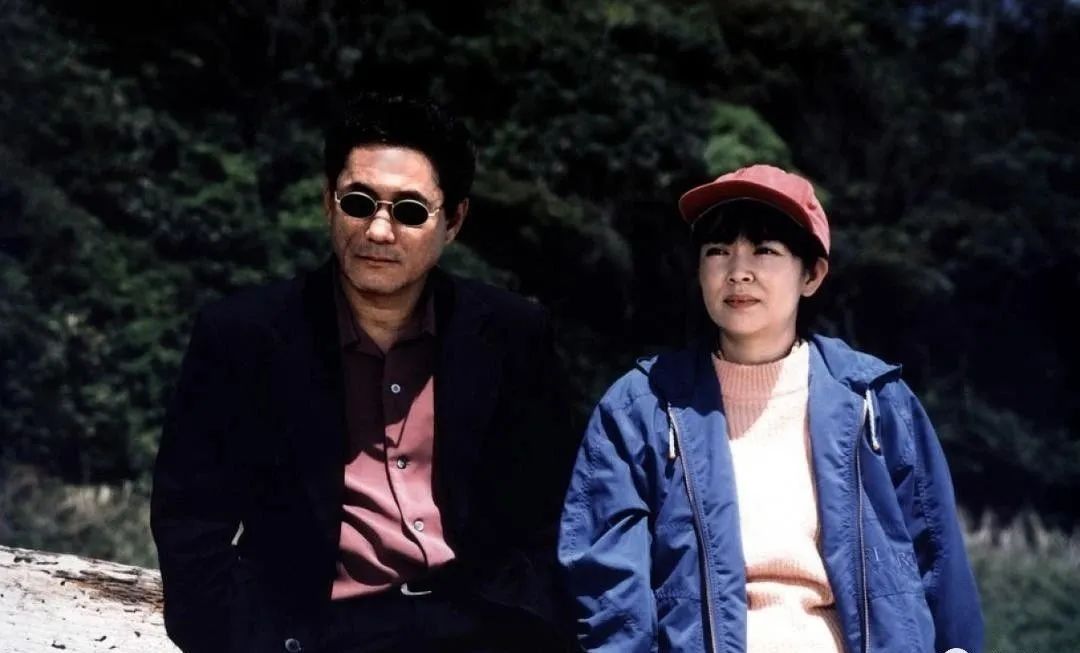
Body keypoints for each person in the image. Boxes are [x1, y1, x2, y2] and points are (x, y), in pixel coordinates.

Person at [151, 93, 579, 653]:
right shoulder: (244, 336)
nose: (378, 231)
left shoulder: (512, 334)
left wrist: (534, 622)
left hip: (478, 625)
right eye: (358, 202)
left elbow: (554, 511)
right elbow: (189, 520)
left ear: (453, 220)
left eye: (409, 211)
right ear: (328, 204)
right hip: (314, 632)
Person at [558, 164, 983, 652]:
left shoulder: (876, 400)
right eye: (718, 251)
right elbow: (608, 586)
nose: (738, 271)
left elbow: (939, 560)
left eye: (765, 250)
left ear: (812, 275)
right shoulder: (642, 407)